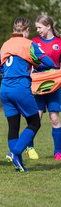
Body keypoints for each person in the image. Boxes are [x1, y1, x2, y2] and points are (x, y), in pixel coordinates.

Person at [0, 17, 55, 172]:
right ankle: (14, 153)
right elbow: (48, 62)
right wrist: (36, 65)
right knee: (35, 123)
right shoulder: (29, 44)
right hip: (20, 88)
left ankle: (18, 164)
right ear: (26, 30)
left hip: (5, 89)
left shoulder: (5, 45)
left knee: (13, 126)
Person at [28, 15, 61, 161]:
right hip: (38, 85)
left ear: (48, 26)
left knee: (54, 118)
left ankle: (58, 152)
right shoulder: (34, 42)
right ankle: (30, 147)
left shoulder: (59, 42)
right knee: (36, 118)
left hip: (55, 86)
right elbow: (29, 62)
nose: (38, 30)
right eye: (36, 28)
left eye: (39, 27)